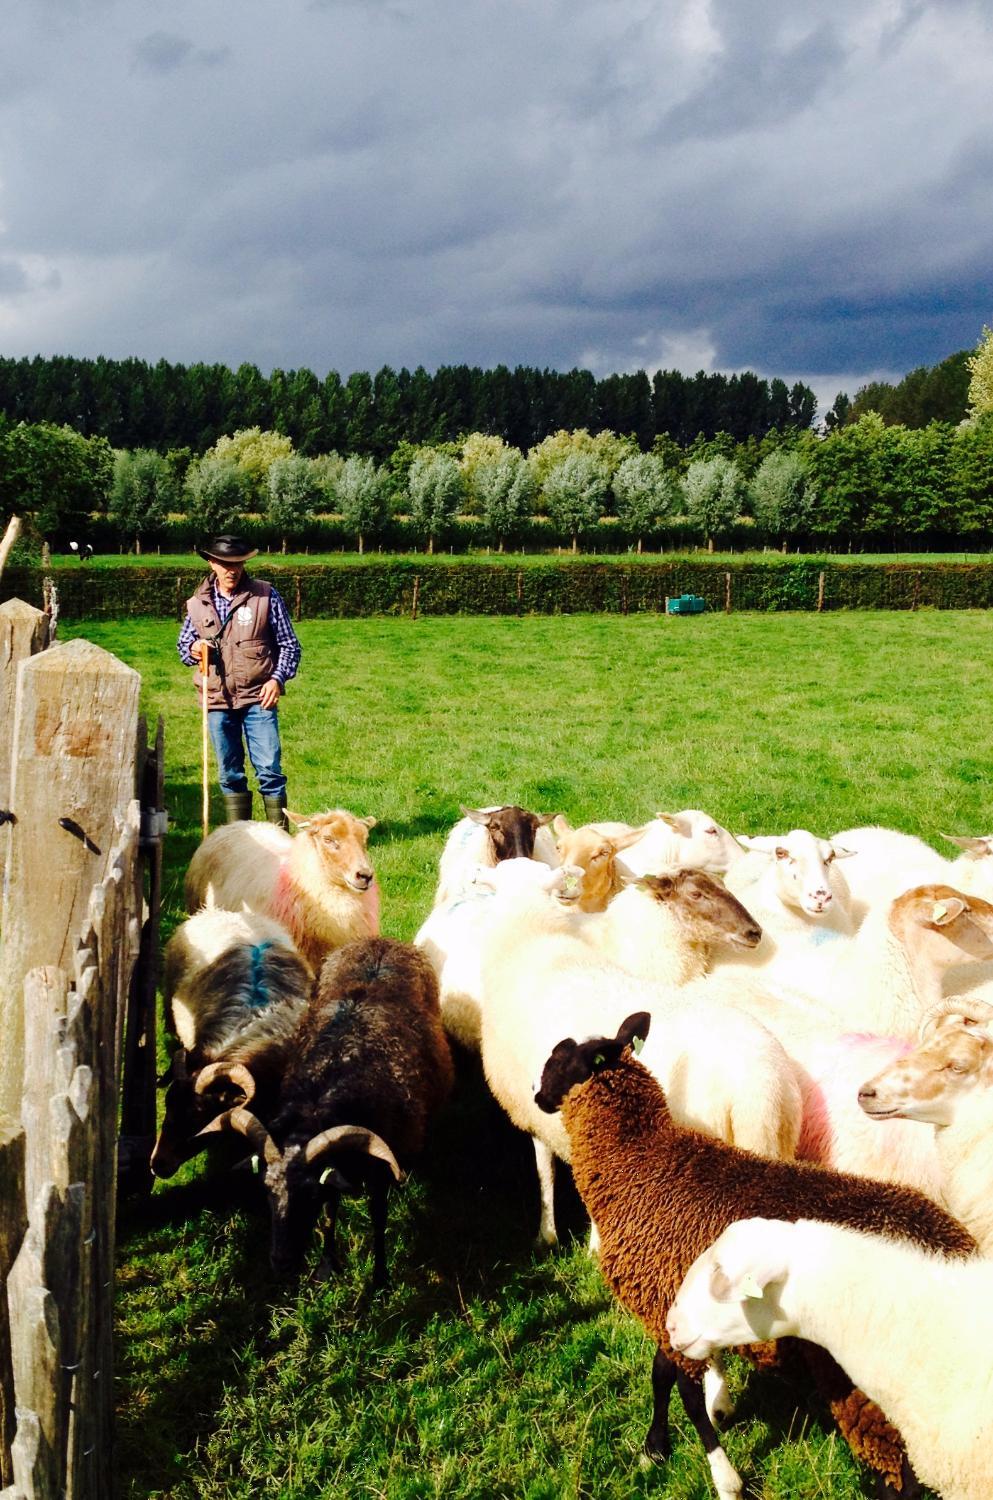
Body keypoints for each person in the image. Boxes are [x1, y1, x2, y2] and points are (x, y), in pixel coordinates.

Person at [177, 534, 302, 826]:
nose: (231, 570)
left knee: (269, 771)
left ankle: (279, 843)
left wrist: (277, 679)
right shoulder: (197, 604)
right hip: (217, 700)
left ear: (245, 563)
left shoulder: (265, 596)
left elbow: (289, 645)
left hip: (259, 698)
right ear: (211, 563)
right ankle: (241, 844)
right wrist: (195, 649)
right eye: (223, 563)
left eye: (237, 563)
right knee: (229, 774)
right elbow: (184, 647)